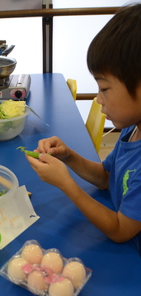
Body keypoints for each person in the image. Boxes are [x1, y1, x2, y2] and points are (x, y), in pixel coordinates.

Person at [25, 4, 141, 253]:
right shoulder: (132, 131)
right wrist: (69, 156)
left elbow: (120, 230)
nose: (98, 99)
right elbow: (106, 179)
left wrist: (67, 185)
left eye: (105, 88)